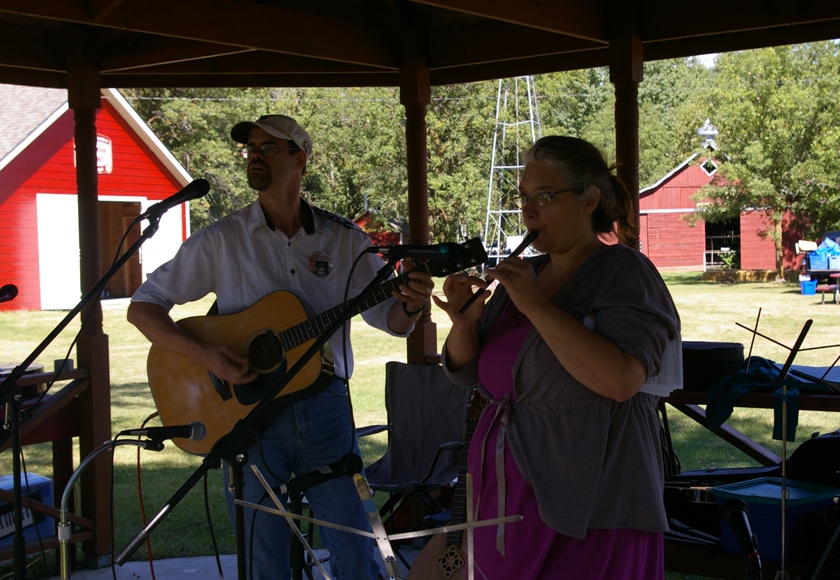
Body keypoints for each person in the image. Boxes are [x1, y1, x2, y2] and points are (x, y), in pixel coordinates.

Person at [127, 114, 434, 579]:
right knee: (264, 560)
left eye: (269, 148)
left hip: (327, 410)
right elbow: (143, 307)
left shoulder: (346, 240)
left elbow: (388, 320)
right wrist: (206, 356)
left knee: (357, 550)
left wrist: (410, 305)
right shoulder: (222, 240)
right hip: (250, 416)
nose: (255, 156)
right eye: (251, 148)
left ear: (300, 160)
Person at [433, 135, 680, 579]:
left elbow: (622, 380)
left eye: (544, 197)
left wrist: (537, 307)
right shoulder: (527, 275)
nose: (528, 211)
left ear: (589, 200)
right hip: (508, 494)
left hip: (594, 503)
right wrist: (465, 325)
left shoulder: (624, 271)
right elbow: (468, 374)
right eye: (524, 197)